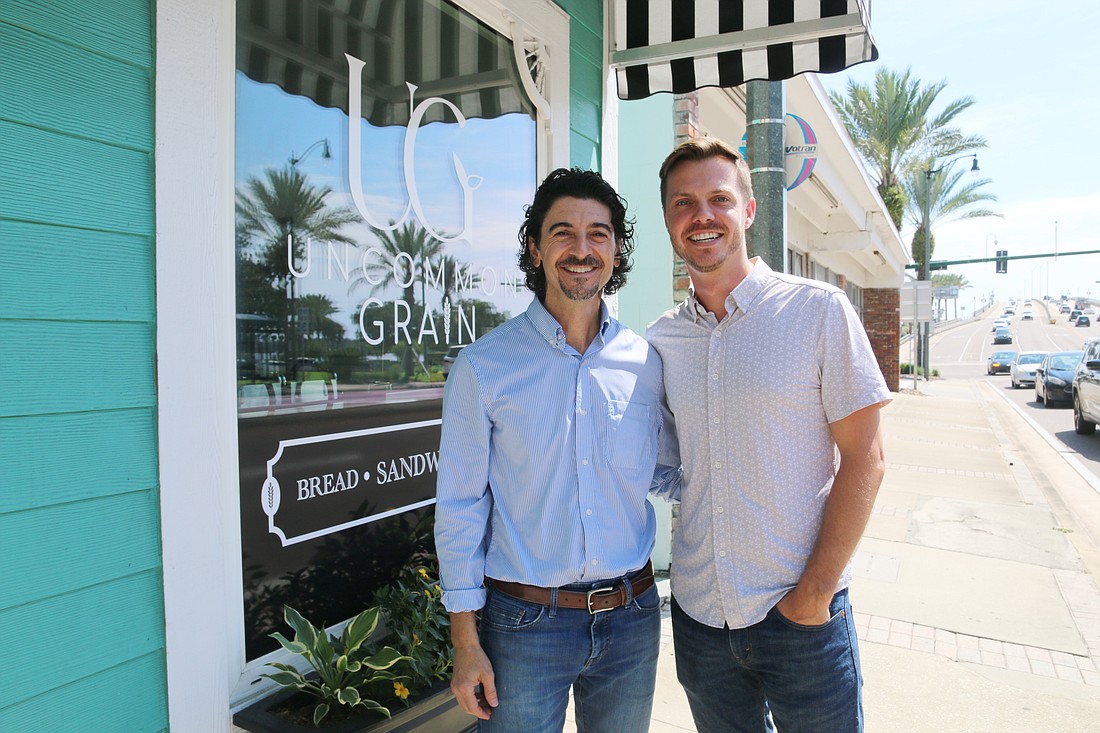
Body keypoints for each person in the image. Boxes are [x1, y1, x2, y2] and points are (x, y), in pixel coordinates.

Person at [646, 137, 890, 732]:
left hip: (801, 618)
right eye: (683, 203)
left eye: (718, 199)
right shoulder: (660, 342)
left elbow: (867, 460)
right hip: (701, 619)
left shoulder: (819, 311)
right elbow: (666, 461)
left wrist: (814, 594)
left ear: (749, 210)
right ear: (668, 220)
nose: (701, 216)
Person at [434, 168, 666, 732]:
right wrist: (466, 643)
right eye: (563, 233)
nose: (581, 250)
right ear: (536, 249)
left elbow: (671, 472)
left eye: (599, 234)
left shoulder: (646, 362)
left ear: (615, 251)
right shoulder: (484, 367)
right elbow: (460, 506)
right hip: (525, 625)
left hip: (632, 618)